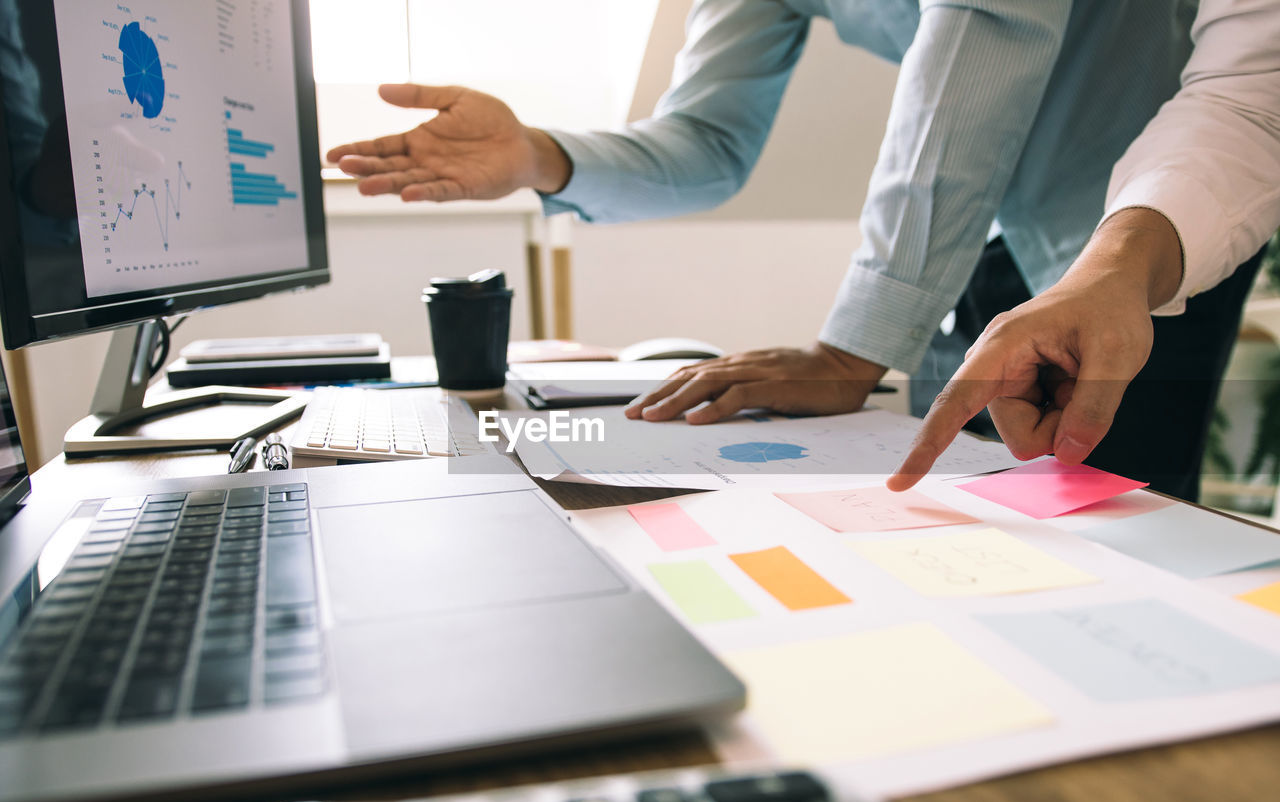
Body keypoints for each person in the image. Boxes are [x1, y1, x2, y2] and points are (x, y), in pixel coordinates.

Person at [329, 0, 1250, 498]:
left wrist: (854, 344)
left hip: (1154, 227)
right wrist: (542, 155)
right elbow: (708, 142)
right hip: (969, 231)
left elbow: (991, 27)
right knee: (959, 512)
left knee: (1116, 523)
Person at [887, 0, 1280, 492]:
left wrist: (853, 347)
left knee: (1128, 518)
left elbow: (984, 31)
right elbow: (1252, 93)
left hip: (1162, 239)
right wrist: (1114, 271)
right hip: (1006, 244)